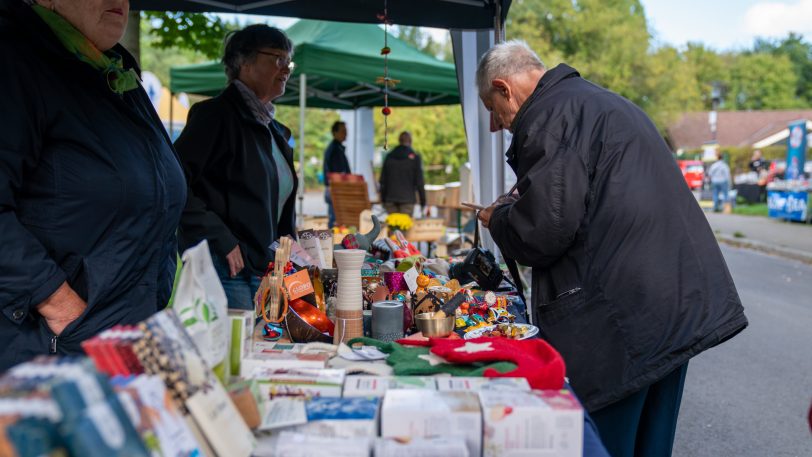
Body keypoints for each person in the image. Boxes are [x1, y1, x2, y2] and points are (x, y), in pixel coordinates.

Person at [475, 41, 747, 457]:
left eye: (491, 107)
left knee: (606, 443)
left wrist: (499, 219)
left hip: (628, 317)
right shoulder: (593, 102)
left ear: (503, 87)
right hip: (671, 305)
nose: (495, 124)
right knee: (650, 444)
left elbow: (543, 233)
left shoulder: (550, 118)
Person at [0, 0, 186, 371]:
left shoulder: (116, 69)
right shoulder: (14, 58)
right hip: (48, 353)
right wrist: (60, 308)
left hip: (122, 339)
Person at [175, 24, 298, 310]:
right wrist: (221, 238)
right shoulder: (214, 116)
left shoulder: (276, 131)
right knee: (231, 351)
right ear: (243, 62)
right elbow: (175, 182)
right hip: (224, 266)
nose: (287, 69)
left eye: (288, 61)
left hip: (261, 267)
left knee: (258, 350)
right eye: (278, 59)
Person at [379, 131, 427, 216]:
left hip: (390, 200)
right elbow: (420, 182)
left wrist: (383, 200)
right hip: (407, 200)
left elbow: (382, 181)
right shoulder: (415, 158)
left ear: (399, 140)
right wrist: (423, 202)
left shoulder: (389, 157)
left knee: (392, 227)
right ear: (410, 141)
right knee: (404, 227)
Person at [323, 120, 351, 227]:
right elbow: (337, 174)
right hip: (335, 189)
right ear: (334, 133)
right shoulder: (335, 149)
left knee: (337, 220)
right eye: (343, 131)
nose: (345, 133)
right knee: (335, 221)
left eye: (346, 131)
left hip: (336, 189)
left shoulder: (337, 148)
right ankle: (333, 243)